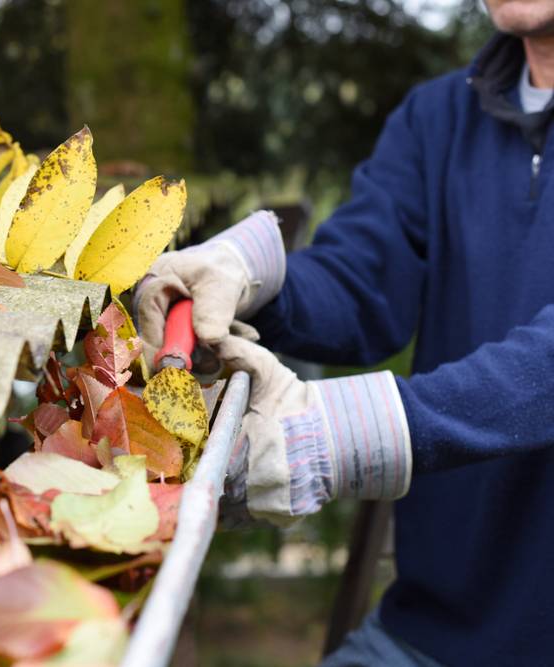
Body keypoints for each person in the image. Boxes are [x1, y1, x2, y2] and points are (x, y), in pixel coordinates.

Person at [136, 1, 554, 665]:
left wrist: (334, 433)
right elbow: (364, 281)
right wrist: (254, 272)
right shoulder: (438, 118)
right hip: (426, 635)